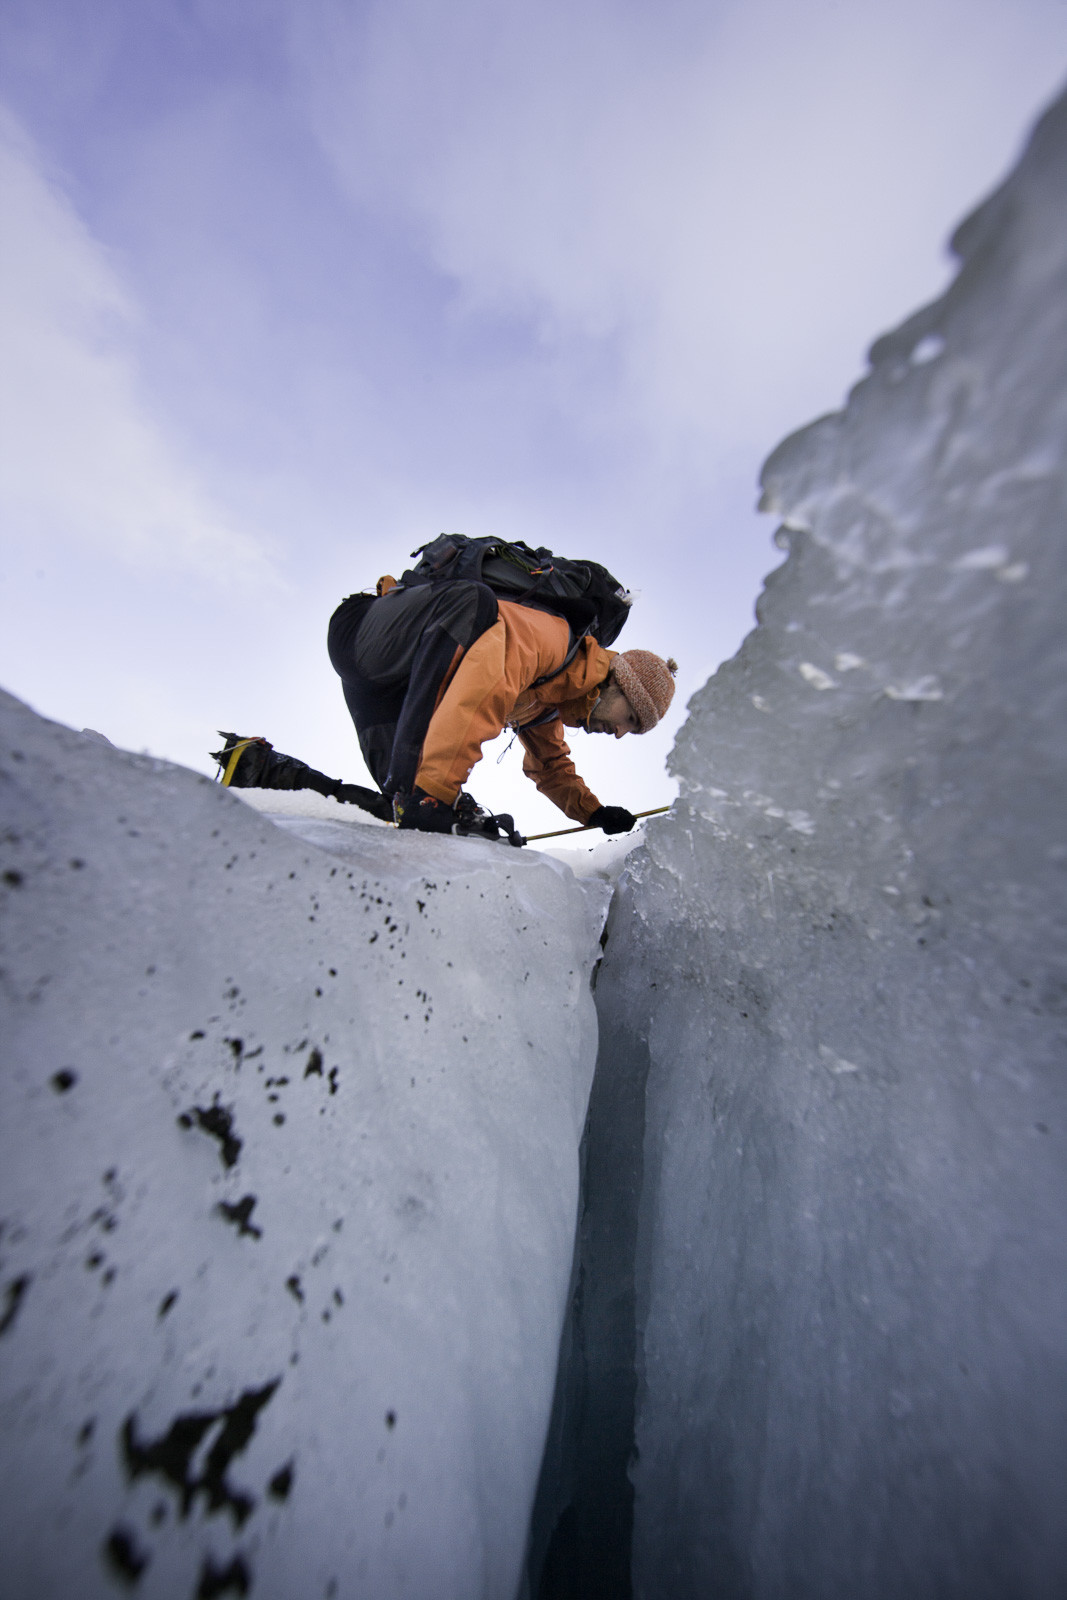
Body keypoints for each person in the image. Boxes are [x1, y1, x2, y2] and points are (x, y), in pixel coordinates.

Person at [327, 574, 677, 836]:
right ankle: (429, 796)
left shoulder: (548, 702)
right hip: (369, 630)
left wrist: (595, 813)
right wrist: (435, 794)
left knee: (399, 795)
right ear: (619, 682)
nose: (619, 734)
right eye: (630, 718)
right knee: (473, 604)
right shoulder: (553, 641)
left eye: (631, 731)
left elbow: (551, 766)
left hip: (380, 678)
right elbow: (483, 688)